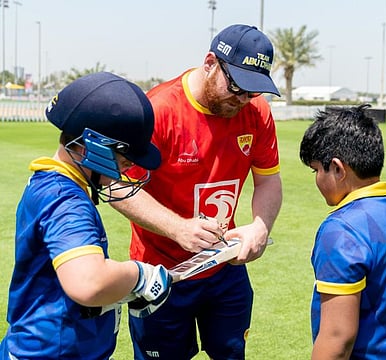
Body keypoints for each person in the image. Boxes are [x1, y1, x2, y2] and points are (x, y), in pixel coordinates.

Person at [110, 24, 282, 359]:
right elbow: (119, 184)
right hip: (161, 273)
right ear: (210, 63)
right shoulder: (160, 110)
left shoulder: (256, 110)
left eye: (254, 90)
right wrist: (178, 228)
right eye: (238, 87)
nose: (245, 99)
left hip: (224, 268)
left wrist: (261, 226)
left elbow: (269, 180)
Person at [0, 72, 172, 359]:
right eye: (122, 155)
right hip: (50, 352)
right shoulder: (65, 200)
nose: (127, 167)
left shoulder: (54, 183)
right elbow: (88, 282)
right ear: (86, 145)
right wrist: (139, 275)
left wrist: (121, 291)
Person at [299, 104, 386, 359]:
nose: (316, 180)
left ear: (337, 168)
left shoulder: (342, 230)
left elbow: (338, 339)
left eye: (316, 170)